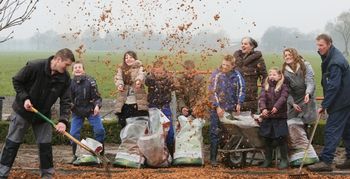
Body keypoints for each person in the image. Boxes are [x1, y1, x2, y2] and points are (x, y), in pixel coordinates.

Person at [0, 48, 75, 178]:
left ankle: (47, 175)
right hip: (23, 112)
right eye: (67, 64)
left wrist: (63, 121)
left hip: (43, 115)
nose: (67, 68)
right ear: (58, 59)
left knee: (45, 146)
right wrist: (25, 98)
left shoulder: (65, 78)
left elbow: (66, 100)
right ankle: (2, 173)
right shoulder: (34, 66)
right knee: (12, 143)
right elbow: (17, 80)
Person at [308, 34, 350, 172]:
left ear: (329, 44)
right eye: (317, 45)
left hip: (342, 101)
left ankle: (326, 161)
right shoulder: (330, 57)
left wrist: (324, 105)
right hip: (345, 99)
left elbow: (334, 86)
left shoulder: (335, 62)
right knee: (347, 130)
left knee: (331, 130)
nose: (319, 48)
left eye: (321, 45)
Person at [282, 48, 319, 167]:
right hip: (295, 100)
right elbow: (286, 90)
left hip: (307, 97)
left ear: (295, 55)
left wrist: (308, 93)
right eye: (285, 55)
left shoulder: (305, 65)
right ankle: (297, 155)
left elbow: (310, 81)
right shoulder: (285, 71)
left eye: (289, 54)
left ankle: (309, 155)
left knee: (305, 123)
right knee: (291, 123)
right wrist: (292, 103)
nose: (287, 57)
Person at [208, 55, 245, 167]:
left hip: (230, 108)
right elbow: (212, 91)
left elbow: (242, 89)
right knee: (214, 132)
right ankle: (213, 158)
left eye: (227, 66)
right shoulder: (217, 74)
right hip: (217, 109)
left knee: (228, 133)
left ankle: (226, 158)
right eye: (223, 64)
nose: (224, 67)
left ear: (233, 65)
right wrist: (217, 106)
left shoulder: (237, 75)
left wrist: (239, 103)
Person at [69, 61, 106, 164]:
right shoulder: (70, 83)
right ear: (72, 71)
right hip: (77, 112)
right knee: (73, 133)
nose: (77, 69)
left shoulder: (90, 81)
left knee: (100, 130)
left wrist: (97, 106)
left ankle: (101, 155)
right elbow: (68, 99)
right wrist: (70, 107)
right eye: (75, 68)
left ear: (83, 70)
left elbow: (97, 97)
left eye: (79, 67)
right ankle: (75, 155)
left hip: (91, 110)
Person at [259, 67, 289, 169]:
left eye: (274, 74)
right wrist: (263, 108)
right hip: (268, 117)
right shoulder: (265, 86)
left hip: (280, 117)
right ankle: (268, 159)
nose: (272, 76)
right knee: (267, 138)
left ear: (279, 76)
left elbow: (283, 98)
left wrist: (276, 106)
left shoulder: (283, 86)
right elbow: (262, 98)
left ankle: (284, 160)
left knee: (281, 138)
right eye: (270, 74)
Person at [145, 60, 176, 157]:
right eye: (156, 73)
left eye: (161, 73)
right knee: (154, 132)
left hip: (165, 107)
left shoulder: (169, 79)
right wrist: (150, 73)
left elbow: (174, 85)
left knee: (169, 132)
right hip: (153, 107)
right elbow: (148, 80)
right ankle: (154, 156)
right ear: (153, 71)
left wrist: (171, 78)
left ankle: (170, 154)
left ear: (165, 72)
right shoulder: (150, 79)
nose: (158, 75)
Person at [114, 51, 148, 128]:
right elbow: (118, 77)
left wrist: (138, 81)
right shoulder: (121, 69)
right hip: (125, 103)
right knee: (125, 127)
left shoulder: (140, 67)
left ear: (135, 58)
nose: (128, 59)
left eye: (130, 57)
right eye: (126, 58)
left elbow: (141, 75)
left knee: (139, 127)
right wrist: (120, 85)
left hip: (138, 103)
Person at [234, 37, 267, 114]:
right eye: (242, 43)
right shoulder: (235, 58)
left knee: (249, 122)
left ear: (252, 46)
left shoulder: (258, 60)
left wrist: (263, 92)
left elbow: (264, 77)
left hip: (250, 97)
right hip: (235, 95)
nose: (242, 45)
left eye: (245, 44)